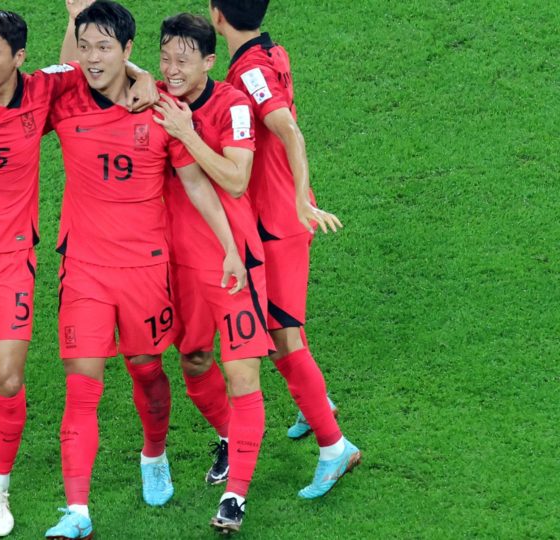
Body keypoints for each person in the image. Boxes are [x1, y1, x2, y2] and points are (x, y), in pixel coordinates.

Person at [0, 9, 156, 536]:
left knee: (8, 378)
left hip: (11, 261)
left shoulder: (45, 91)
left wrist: (147, 78)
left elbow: (106, 67)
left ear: (19, 58)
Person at [42, 3, 247, 538]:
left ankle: (154, 453)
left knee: (148, 374)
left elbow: (199, 184)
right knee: (82, 387)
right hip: (83, 268)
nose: (92, 58)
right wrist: (74, 21)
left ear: (128, 51)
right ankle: (77, 511)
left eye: (104, 47)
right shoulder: (65, 106)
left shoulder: (159, 109)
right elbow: (61, 74)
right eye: (85, 47)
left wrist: (229, 246)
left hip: (144, 270)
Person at [210, 0, 361, 500]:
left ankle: (333, 445)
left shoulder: (250, 69)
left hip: (278, 222)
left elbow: (287, 129)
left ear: (216, 15)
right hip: (274, 218)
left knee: (281, 337)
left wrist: (299, 199)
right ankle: (312, 402)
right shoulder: (270, 50)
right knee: (282, 332)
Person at [150, 12, 273, 533]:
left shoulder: (234, 105)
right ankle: (228, 435)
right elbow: (104, 68)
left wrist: (185, 132)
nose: (172, 69)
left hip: (232, 261)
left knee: (242, 376)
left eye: (183, 59)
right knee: (196, 360)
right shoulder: (152, 93)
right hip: (174, 262)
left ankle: (236, 496)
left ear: (208, 60)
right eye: (165, 57)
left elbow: (237, 179)